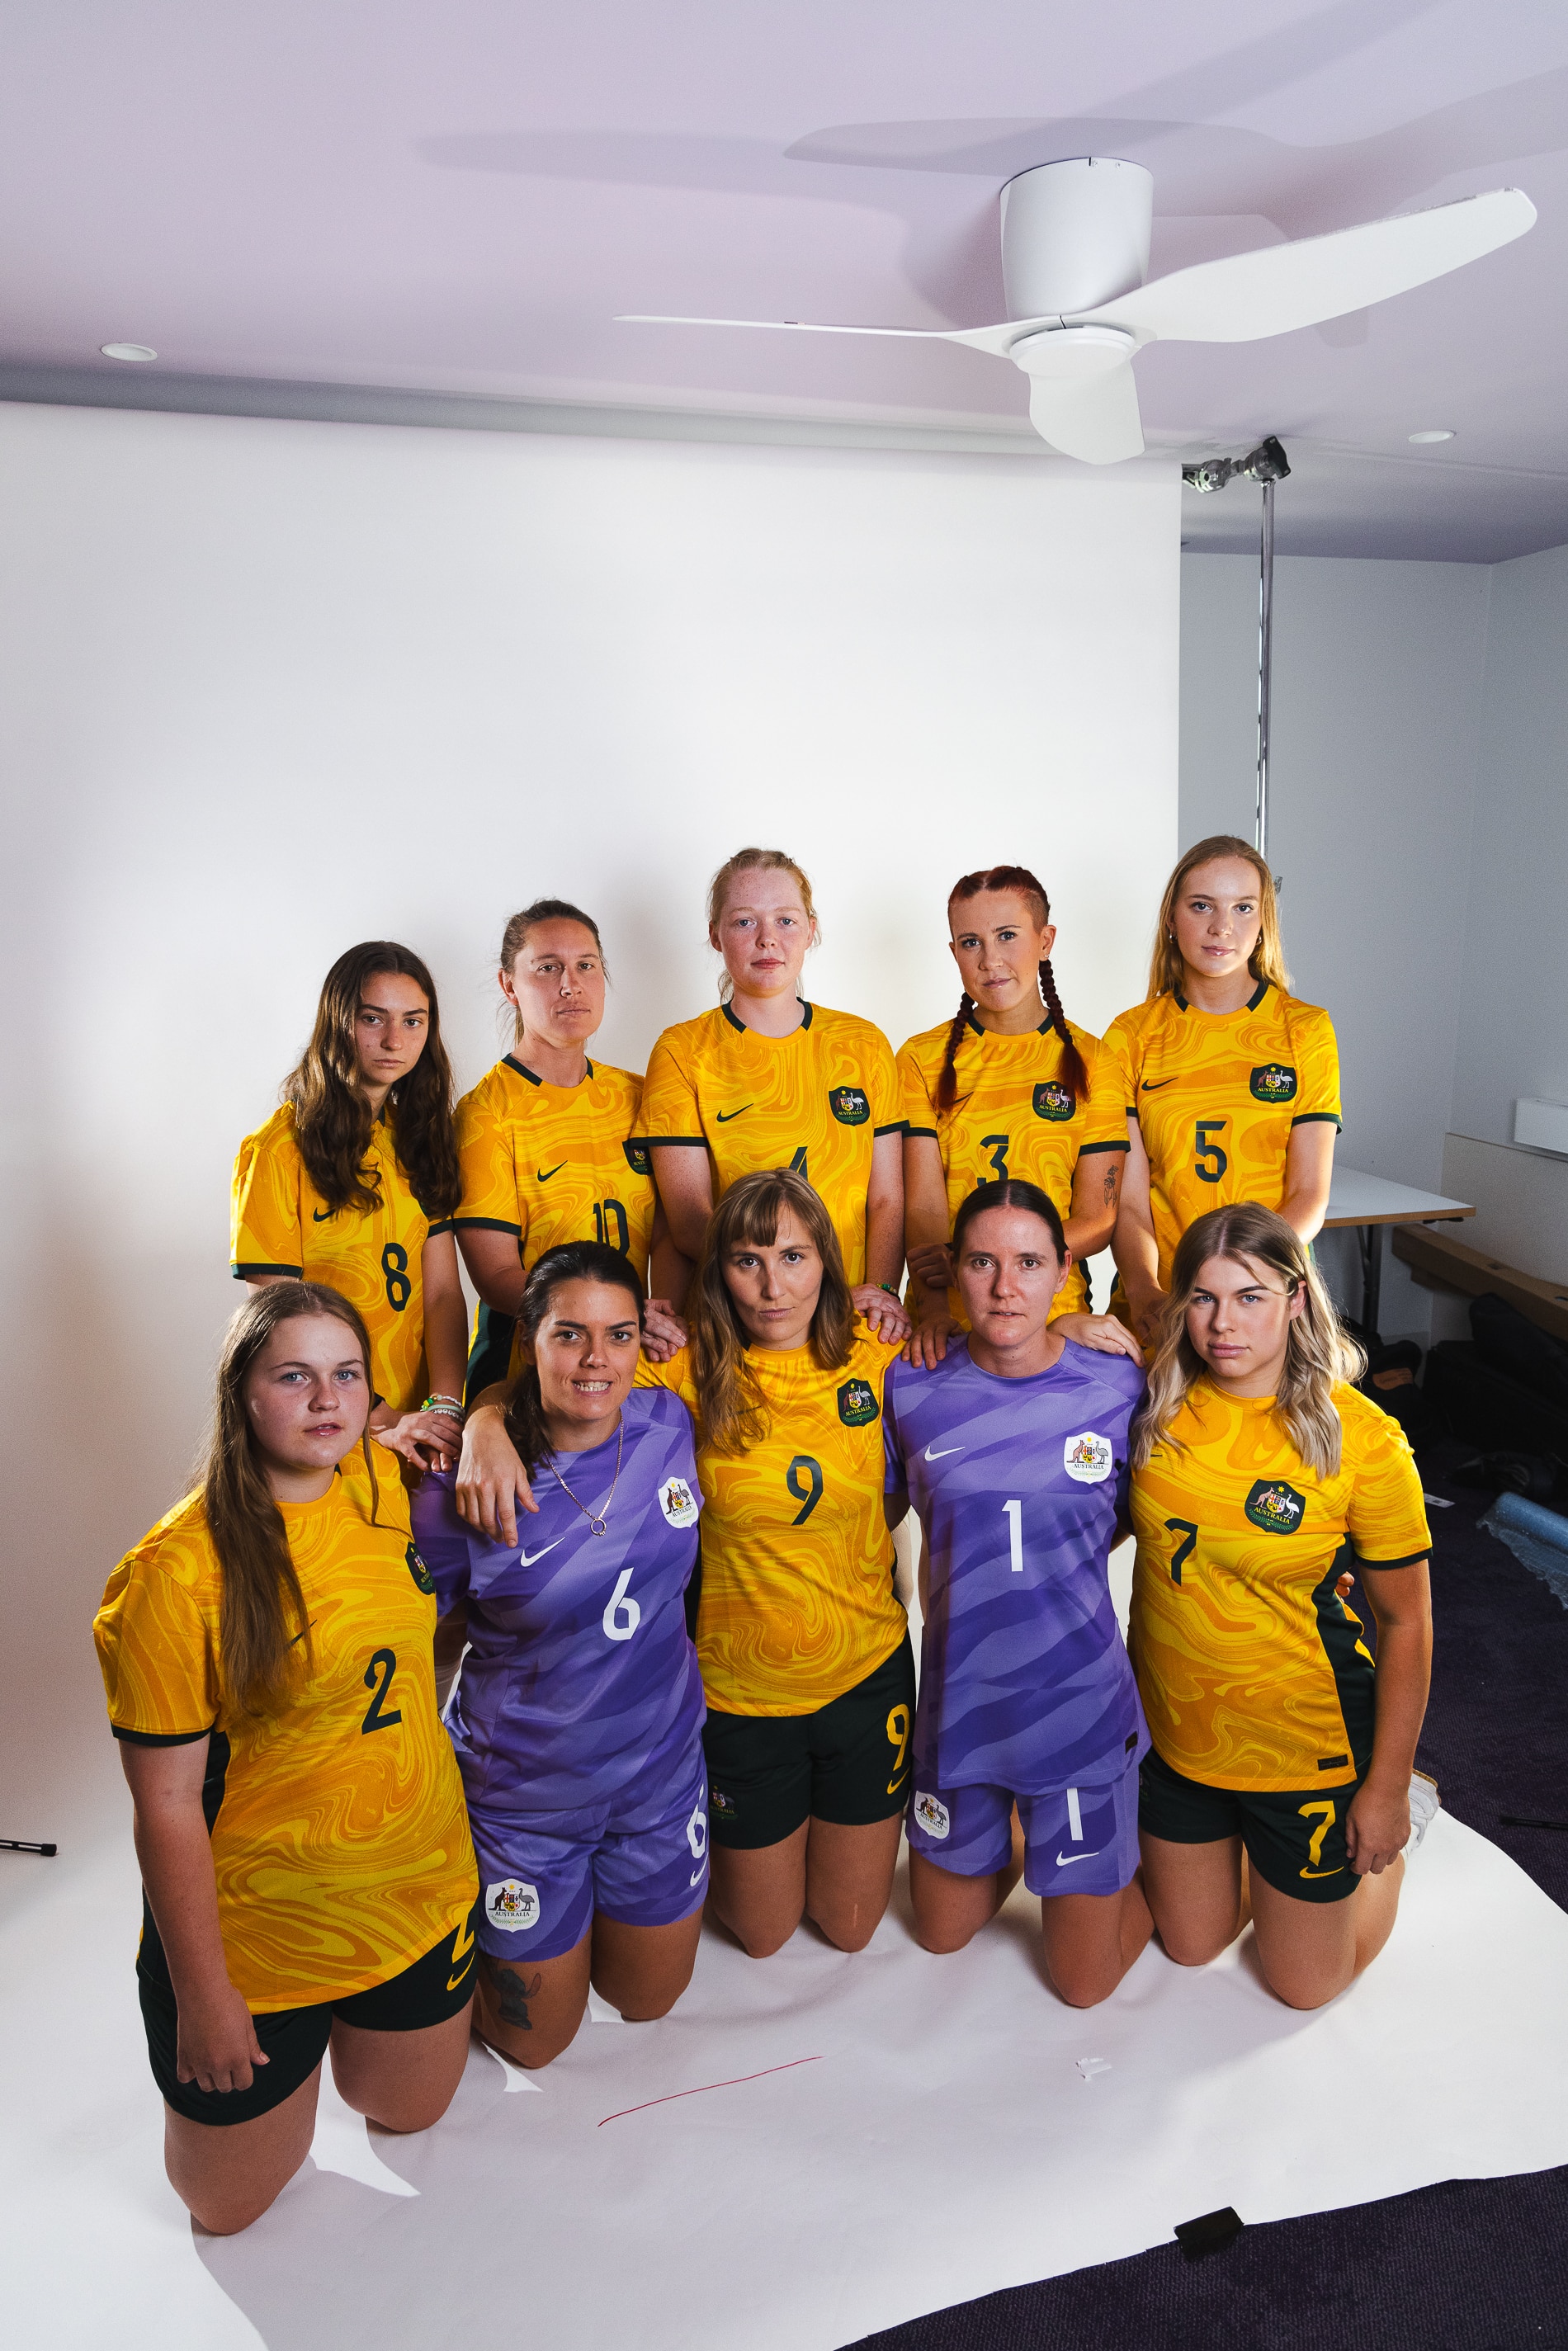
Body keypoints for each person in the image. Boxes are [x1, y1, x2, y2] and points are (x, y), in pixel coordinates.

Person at [93, 1282, 479, 2235]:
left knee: (409, 2109)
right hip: (263, 1940)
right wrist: (205, 1996)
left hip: (416, 1888)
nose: (327, 1398)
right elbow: (166, 1804)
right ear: (242, 1392)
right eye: (294, 1375)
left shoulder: (382, 1480)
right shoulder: (175, 1573)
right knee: (225, 2205)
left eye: (346, 1374)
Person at [456, 1169, 914, 1961]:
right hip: (738, 1691)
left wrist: (1076, 1323)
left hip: (866, 1670)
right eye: (747, 1260)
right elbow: (561, 1377)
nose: (772, 1285)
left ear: (828, 1260)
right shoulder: (682, 1366)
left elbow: (990, 1362)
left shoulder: (879, 1352)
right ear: (718, 1270)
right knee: (763, 1934)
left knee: (850, 1927)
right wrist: (482, 1421)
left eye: (794, 1256)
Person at [1127, 1203, 1435, 2010]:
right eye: (1203, 1297)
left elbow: (1406, 1622)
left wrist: (1385, 1790)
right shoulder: (1155, 1400)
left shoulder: (1363, 1439)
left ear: (1296, 1297)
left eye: (1250, 1296)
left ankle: (1398, 1831)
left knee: (1303, 1985)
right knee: (1191, 1945)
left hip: (1304, 1746)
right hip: (1181, 1739)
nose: (1222, 1323)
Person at [410, 1242, 709, 2070]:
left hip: (658, 1776)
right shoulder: (460, 1488)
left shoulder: (668, 1421)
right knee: (533, 2044)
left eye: (618, 1334)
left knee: (649, 1998)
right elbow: (417, 1649)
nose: (595, 1359)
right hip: (526, 1801)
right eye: (568, 1334)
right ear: (528, 1340)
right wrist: (475, 1421)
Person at [886, 1180, 1153, 2006]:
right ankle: (1017, 1820)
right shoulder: (910, 1385)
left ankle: (1174, 1871)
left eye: (1029, 1263)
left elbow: (1135, 1516)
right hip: (963, 1709)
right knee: (939, 1931)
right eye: (983, 1262)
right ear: (951, 1269)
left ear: (1064, 1270)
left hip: (1076, 1711)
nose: (1005, 1287)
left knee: (1082, 1985)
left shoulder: (1116, 1384)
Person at [636, 848, 907, 1335]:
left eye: (785, 920)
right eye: (744, 922)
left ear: (811, 929)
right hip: (739, 1321)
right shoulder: (682, 1051)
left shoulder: (863, 1044)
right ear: (716, 935)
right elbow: (690, 1218)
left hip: (852, 1317)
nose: (767, 939)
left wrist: (881, 1294)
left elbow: (886, 1199)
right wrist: (789, 1288)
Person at [230, 942, 467, 1470]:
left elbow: (443, 1295)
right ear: (337, 1021)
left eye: (413, 1021)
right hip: (326, 1422)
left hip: (420, 1427)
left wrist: (444, 1409)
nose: (394, 1040)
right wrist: (384, 1419)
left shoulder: (417, 1140)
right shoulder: (277, 1152)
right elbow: (280, 1322)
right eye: (372, 1018)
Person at [1105, 837, 1341, 1348]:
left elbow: (1308, 1195)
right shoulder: (1130, 1035)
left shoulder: (1305, 1029)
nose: (1222, 927)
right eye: (1202, 906)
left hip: (1263, 1296)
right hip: (1161, 1299)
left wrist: (1236, 1289)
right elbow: (1130, 1202)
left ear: (1264, 922)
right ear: (1171, 918)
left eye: (1243, 908)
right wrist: (1144, 1290)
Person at [900, 866, 1131, 1364]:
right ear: (954, 953)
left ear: (1045, 941)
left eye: (1007, 935)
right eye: (971, 943)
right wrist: (935, 1309)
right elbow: (922, 1209)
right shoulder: (920, 1058)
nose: (990, 960)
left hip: (1055, 1323)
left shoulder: (1096, 1061)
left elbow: (1097, 1218)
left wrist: (999, 1257)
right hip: (946, 1328)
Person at [452, 899, 677, 1400]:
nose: (570, 985)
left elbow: (666, 1232)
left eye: (586, 966)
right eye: (547, 968)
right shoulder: (485, 1113)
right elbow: (496, 1275)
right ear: (509, 985)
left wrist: (657, 1315)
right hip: (526, 1368)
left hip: (627, 1354)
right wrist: (611, 1320)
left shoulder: (638, 1095)